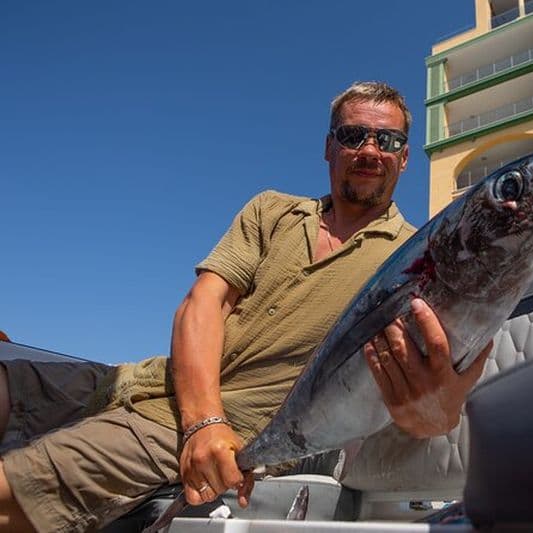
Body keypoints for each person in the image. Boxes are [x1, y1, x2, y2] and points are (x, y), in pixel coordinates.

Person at [0, 81, 491, 532]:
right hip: (150, 382)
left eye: (386, 141)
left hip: (226, 431)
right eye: (353, 134)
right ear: (328, 146)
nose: (368, 150)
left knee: (16, 486)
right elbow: (202, 305)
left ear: (405, 157)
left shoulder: (417, 260)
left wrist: (441, 411)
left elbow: (429, 412)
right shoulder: (271, 209)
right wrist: (204, 418)